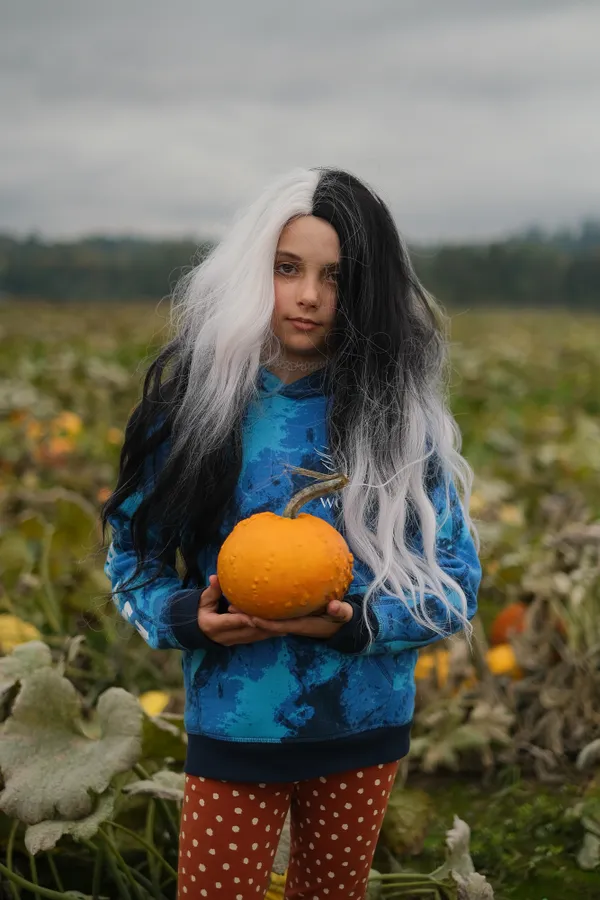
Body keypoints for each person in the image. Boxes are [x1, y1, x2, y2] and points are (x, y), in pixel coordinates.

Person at [102, 167, 481, 900]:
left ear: (366, 293)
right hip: (237, 723)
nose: (309, 295)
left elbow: (456, 584)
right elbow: (133, 556)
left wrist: (356, 623)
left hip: (364, 728)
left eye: (335, 277)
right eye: (287, 269)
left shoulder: (397, 426)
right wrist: (188, 617)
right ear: (252, 273)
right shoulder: (194, 414)